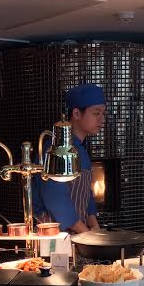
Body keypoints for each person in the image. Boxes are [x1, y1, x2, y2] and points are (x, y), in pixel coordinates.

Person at [32, 84, 104, 233]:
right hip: (54, 235)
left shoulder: (81, 151)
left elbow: (87, 193)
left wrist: (94, 225)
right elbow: (56, 199)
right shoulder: (54, 150)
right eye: (96, 113)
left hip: (78, 234)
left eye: (103, 113)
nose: (102, 119)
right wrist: (87, 235)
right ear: (76, 113)